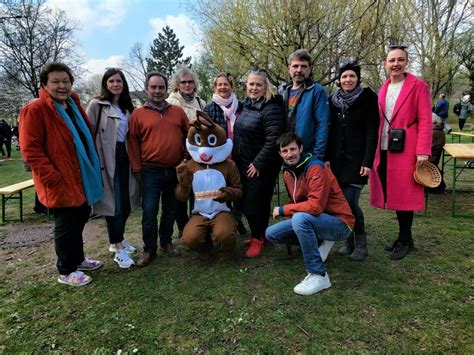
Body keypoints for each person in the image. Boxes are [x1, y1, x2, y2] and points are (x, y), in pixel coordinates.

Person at [19, 62, 103, 286]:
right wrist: (52, 177)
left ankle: (78, 259)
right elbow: (31, 150)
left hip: (81, 175)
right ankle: (66, 270)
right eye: (55, 81)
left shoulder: (72, 106)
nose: (62, 86)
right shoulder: (35, 110)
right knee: (66, 225)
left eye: (65, 81)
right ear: (44, 85)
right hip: (59, 178)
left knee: (80, 219)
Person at [266, 132, 354, 295]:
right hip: (315, 220)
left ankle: (319, 275)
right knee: (272, 233)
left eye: (293, 149)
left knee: (299, 218)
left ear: (301, 149)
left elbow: (315, 207)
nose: (289, 154)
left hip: (339, 222)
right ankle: (319, 242)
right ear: (280, 153)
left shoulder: (315, 167)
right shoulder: (288, 171)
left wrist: (284, 210)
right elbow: (298, 201)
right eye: (284, 151)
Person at [370, 45, 432, 260]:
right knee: (395, 193)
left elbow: (425, 120)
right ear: (385, 64)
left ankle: (405, 239)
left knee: (406, 194)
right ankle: (404, 237)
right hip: (386, 147)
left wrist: (422, 151)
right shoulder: (384, 87)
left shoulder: (418, 86)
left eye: (400, 59)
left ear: (407, 62)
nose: (395, 64)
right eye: (391, 60)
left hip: (408, 149)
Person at [128, 71, 189, 267]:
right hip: (150, 170)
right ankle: (149, 249)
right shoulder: (138, 114)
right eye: (153, 87)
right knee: (150, 211)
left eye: (161, 87)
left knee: (171, 210)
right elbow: (133, 143)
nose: (157, 91)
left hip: (174, 169)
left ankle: (166, 242)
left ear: (166, 89)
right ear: (147, 89)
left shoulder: (177, 111)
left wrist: (186, 158)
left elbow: (189, 136)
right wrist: (137, 169)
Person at [86, 68, 140, 269]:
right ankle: (117, 248)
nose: (115, 84)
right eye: (111, 81)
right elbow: (88, 133)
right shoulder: (97, 105)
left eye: (118, 81)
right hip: (106, 159)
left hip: (125, 156)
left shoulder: (127, 108)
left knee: (126, 202)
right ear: (105, 84)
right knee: (113, 204)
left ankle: (118, 238)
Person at [326, 61, 379, 261]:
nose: (348, 80)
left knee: (350, 202)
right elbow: (330, 130)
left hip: (357, 161)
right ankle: (349, 240)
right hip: (337, 161)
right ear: (339, 80)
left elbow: (372, 133)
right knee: (339, 203)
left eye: (352, 76)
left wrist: (367, 161)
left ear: (358, 79)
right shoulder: (332, 100)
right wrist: (327, 158)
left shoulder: (368, 99)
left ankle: (361, 242)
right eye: (344, 76)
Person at [232, 68, 285, 257]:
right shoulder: (247, 105)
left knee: (254, 204)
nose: (254, 88)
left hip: (260, 167)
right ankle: (260, 235)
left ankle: (258, 239)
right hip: (243, 164)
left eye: (258, 84)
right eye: (251, 84)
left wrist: (258, 163)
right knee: (249, 203)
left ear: (265, 87)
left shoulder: (271, 108)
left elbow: (274, 139)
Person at [204, 72, 246, 234]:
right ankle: (228, 221)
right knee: (224, 191)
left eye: (226, 84)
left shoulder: (241, 106)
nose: (223, 87)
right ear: (215, 87)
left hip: (240, 154)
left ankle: (237, 217)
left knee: (239, 190)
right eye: (219, 84)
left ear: (231, 86)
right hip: (220, 158)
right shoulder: (210, 108)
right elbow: (206, 136)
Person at [167, 66, 207, 238]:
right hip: (181, 154)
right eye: (183, 82)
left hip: (198, 154)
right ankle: (183, 228)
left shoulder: (201, 102)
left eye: (190, 81)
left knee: (197, 192)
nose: (187, 85)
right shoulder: (171, 103)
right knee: (181, 192)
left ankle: (196, 227)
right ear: (177, 84)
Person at [279, 49, 329, 160]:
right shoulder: (282, 91)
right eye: (295, 66)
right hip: (287, 153)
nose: (299, 70)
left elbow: (322, 125)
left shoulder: (317, 91)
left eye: (304, 66)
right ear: (289, 69)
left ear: (309, 69)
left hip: (308, 153)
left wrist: (318, 156)